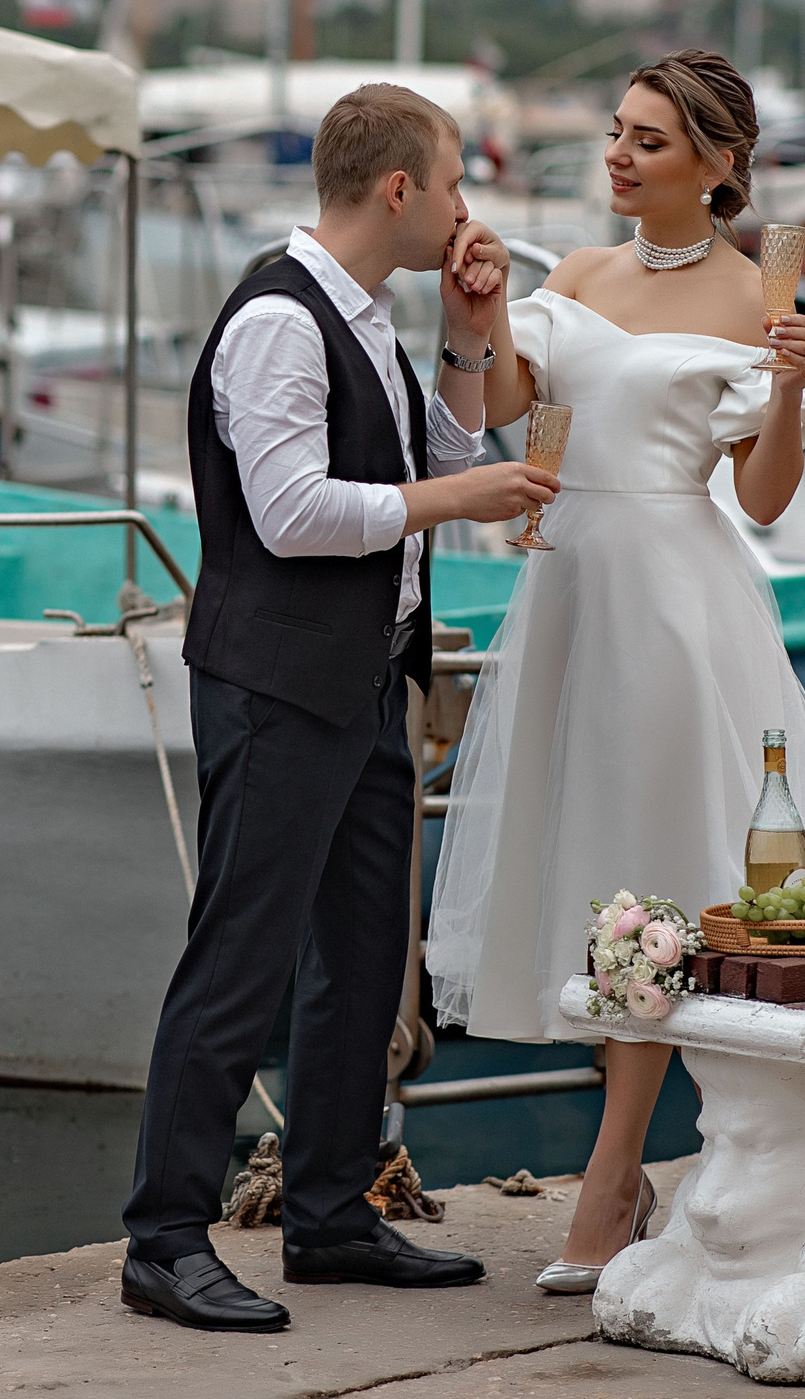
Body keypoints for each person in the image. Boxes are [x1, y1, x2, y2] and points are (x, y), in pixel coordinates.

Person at [423, 49, 805, 1295]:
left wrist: (788, 390)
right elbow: (516, 418)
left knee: (651, 865)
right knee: (589, 859)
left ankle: (610, 1186)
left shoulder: (753, 298)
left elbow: (761, 498)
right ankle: (656, 1173)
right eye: (615, 130)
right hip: (570, 591)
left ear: (716, 168)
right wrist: (483, 315)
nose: (616, 154)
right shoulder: (583, 275)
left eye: (647, 141)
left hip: (673, 598)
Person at [120, 84, 560, 1333]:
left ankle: (326, 1213)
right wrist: (450, 511)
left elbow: (444, 447)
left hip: (369, 673)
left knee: (365, 957)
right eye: (458, 183)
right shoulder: (277, 315)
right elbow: (294, 513)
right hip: (274, 679)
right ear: (398, 191)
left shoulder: (364, 313)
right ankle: (162, 1238)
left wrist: (469, 329)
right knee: (242, 956)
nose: (472, 209)